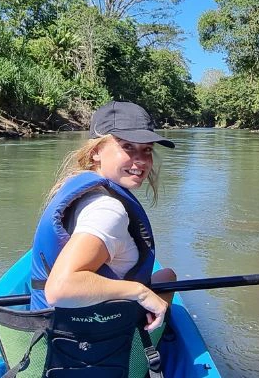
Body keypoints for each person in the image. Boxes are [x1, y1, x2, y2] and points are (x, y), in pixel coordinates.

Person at [29, 100, 176, 332]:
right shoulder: (107, 210)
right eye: (128, 146)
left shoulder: (76, 184)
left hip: (50, 331)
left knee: (167, 276)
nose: (141, 161)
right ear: (96, 151)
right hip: (96, 345)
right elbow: (60, 288)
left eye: (147, 149)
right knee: (167, 278)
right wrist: (139, 292)